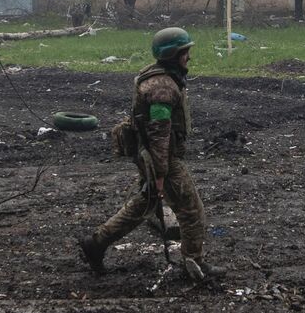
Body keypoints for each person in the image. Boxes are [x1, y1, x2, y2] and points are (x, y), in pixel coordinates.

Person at [78, 27, 224, 282]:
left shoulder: (161, 77)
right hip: (162, 159)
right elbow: (159, 135)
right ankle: (195, 263)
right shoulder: (162, 88)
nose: (189, 56)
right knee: (191, 210)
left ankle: (96, 243)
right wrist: (160, 174)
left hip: (154, 157)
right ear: (174, 54)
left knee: (145, 203)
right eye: (185, 51)